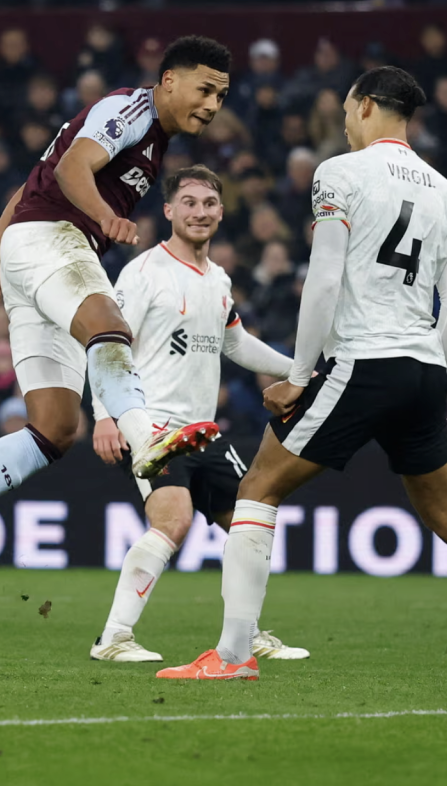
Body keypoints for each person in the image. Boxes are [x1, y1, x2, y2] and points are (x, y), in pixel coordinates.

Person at [156, 67, 447, 685]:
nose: (341, 120)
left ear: (365, 106)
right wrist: (430, 374)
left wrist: (301, 376)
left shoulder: (339, 172)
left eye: (344, 109)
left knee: (256, 490)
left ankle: (231, 657)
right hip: (423, 367)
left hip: (361, 359)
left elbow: (326, 281)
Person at [0, 37, 233, 591]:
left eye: (222, 95)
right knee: (111, 328)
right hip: (56, 240)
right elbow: (72, 169)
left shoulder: (151, 134)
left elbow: (34, 181)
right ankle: (147, 440)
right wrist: (107, 218)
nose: (213, 104)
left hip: (32, 250)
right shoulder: (133, 110)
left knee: (54, 429)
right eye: (205, 88)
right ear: (169, 80)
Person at [88, 165, 307, 663]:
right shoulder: (144, 272)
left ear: (222, 212)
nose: (199, 212)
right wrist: (105, 414)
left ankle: (245, 636)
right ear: (169, 211)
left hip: (202, 431)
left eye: (208, 204)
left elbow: (237, 343)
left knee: (250, 522)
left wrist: (300, 372)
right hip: (152, 425)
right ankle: (113, 638)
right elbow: (108, 344)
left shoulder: (218, 279)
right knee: (174, 519)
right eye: (188, 203)